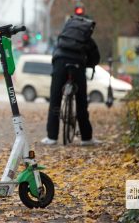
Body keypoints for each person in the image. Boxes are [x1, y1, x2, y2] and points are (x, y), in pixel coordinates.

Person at [41, 15, 100, 146]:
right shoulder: (87, 39)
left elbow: (55, 52)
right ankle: (86, 138)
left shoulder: (64, 34)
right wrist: (87, 64)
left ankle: (51, 137)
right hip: (77, 65)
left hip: (60, 63)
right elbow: (95, 58)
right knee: (81, 103)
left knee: (55, 100)